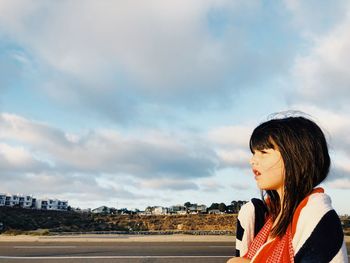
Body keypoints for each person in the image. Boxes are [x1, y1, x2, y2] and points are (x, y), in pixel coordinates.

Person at [227, 114, 348, 263]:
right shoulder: (262, 216)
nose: (252, 160)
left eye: (263, 152)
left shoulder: (315, 216)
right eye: (253, 153)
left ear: (297, 157)